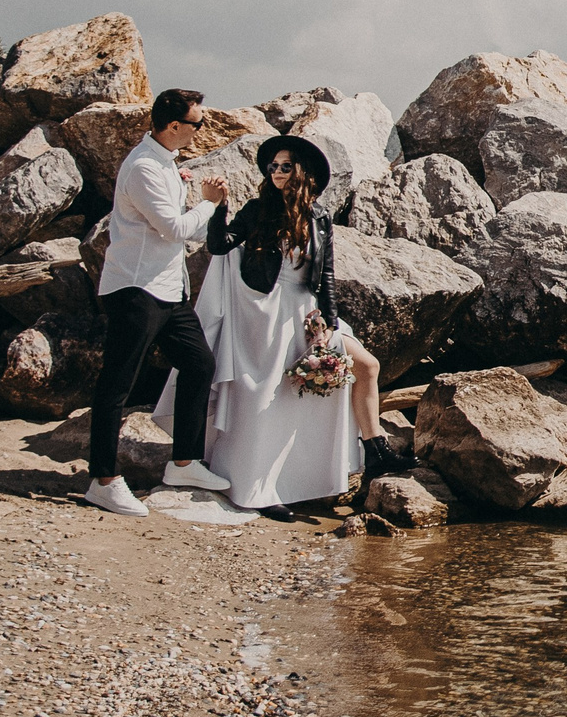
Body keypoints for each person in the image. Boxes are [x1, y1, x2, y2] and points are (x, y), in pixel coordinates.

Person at [165, 132, 403, 519]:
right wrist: (219, 207)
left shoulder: (320, 216)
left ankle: (375, 452)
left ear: (302, 172)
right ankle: (258, 489)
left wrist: (328, 322)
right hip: (266, 312)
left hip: (307, 312)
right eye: (272, 166)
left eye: (285, 166)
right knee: (268, 401)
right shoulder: (259, 209)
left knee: (365, 365)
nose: (276, 171)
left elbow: (325, 273)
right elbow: (221, 245)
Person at [86, 88, 234, 516]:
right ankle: (103, 479)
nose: (200, 131)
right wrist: (208, 204)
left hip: (169, 289)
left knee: (199, 364)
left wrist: (188, 189)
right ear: (174, 126)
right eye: (198, 124)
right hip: (135, 289)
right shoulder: (144, 166)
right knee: (117, 383)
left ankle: (184, 462)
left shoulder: (165, 164)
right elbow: (174, 229)